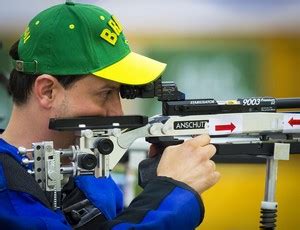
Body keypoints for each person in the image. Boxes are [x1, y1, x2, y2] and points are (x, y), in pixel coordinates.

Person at [0, 2, 220, 229]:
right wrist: (170, 195)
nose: (117, 111)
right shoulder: (6, 188)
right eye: (106, 93)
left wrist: (156, 189)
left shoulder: (90, 176)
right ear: (47, 91)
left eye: (120, 92)